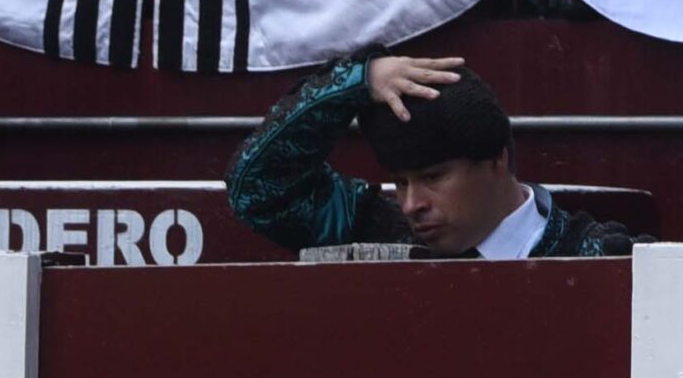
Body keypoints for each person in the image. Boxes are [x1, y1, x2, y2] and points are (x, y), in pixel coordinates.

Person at [227, 51, 640, 259]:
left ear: (496, 161)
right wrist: (357, 80)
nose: (410, 204)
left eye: (433, 177)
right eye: (401, 182)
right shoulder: (375, 228)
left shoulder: (601, 256)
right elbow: (257, 190)